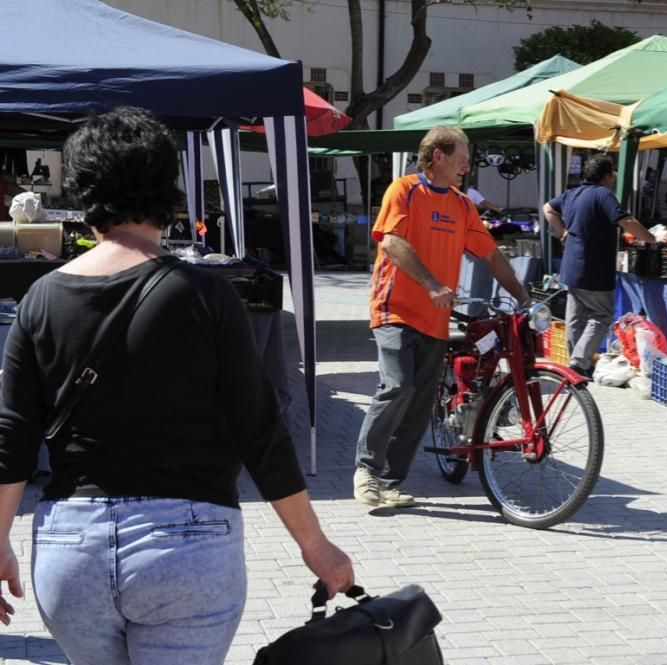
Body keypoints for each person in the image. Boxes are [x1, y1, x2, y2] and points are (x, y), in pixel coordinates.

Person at [0, 107, 354, 664]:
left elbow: (12, 437)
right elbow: (259, 430)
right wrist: (315, 545)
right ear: (167, 187)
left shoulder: (40, 298)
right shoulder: (205, 294)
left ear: (86, 188)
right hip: (187, 544)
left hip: (72, 547)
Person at [354, 126, 529, 508]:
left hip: (435, 319)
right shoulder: (404, 190)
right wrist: (432, 284)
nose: (466, 168)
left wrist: (524, 296)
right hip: (395, 309)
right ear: (438, 156)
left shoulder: (462, 204)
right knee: (397, 386)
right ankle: (366, 470)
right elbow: (391, 241)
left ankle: (390, 482)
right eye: (462, 160)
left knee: (419, 402)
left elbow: (491, 255)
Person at [543, 154, 667, 377]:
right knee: (601, 316)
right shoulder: (603, 195)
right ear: (608, 175)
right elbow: (626, 221)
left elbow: (547, 209)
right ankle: (579, 363)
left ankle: (578, 366)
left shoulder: (572, 194)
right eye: (613, 173)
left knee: (575, 318)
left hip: (571, 267)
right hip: (594, 267)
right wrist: (652, 239)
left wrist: (562, 231)